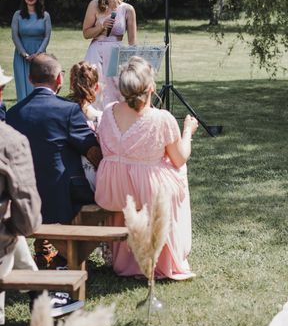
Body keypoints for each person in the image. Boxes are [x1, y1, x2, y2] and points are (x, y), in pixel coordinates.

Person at [95, 56, 198, 279]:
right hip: (146, 190)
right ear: (151, 87)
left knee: (158, 171)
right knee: (177, 172)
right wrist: (188, 130)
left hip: (113, 188)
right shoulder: (162, 118)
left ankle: (127, 259)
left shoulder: (108, 112)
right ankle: (161, 256)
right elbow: (180, 158)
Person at [0, 122, 83, 326]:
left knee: (10, 237)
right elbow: (28, 222)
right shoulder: (9, 140)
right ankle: (39, 298)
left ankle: (40, 297)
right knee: (9, 236)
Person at [6, 54, 101, 225]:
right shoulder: (68, 110)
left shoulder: (13, 113)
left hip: (22, 199)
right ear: (59, 78)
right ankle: (65, 253)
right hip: (62, 198)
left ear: (29, 79)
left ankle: (46, 247)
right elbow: (92, 151)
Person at [82, 0, 137, 110]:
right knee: (94, 87)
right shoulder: (94, 5)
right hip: (96, 52)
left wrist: (133, 64)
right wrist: (101, 26)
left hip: (116, 53)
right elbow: (86, 33)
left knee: (116, 90)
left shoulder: (128, 9)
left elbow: (132, 42)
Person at [11, 0, 52, 102]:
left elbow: (47, 36)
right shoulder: (17, 15)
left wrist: (38, 54)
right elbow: (15, 36)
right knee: (22, 88)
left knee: (38, 86)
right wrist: (24, 54)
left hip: (40, 57)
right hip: (21, 56)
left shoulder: (45, 15)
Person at [68, 61, 102, 191]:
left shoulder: (63, 115)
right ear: (97, 87)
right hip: (97, 183)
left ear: (72, 85)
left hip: (69, 180)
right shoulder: (102, 118)